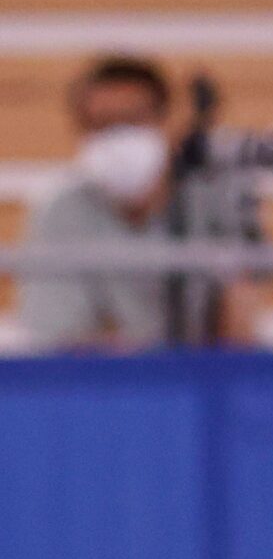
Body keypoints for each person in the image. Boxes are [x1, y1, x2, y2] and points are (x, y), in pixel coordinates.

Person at [18, 57, 256, 352]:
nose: (118, 138)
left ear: (166, 121)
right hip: (107, 390)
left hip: (201, 386)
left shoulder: (210, 199)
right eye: (101, 125)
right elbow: (60, 343)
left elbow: (240, 335)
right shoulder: (59, 210)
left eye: (132, 120)